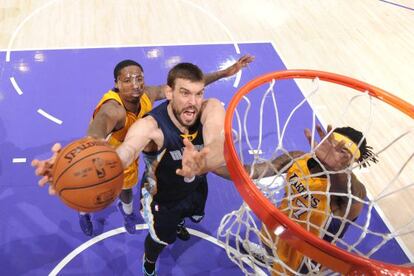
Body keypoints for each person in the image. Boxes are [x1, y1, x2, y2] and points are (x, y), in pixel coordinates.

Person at [32, 55, 254, 237]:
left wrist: (225, 72)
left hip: (137, 148)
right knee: (84, 185)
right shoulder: (114, 108)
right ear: (116, 84)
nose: (135, 84)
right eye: (127, 80)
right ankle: (83, 213)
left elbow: (185, 85)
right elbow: (99, 126)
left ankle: (127, 212)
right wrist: (85, 149)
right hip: (106, 156)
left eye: (139, 78)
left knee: (126, 192)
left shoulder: (145, 94)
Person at [215, 124, 378, 275]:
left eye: (345, 153)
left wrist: (334, 169)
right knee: (268, 244)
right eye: (335, 144)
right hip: (280, 224)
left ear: (353, 162)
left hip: (304, 254)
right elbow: (254, 171)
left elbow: (355, 193)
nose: (335, 152)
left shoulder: (347, 194)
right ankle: (270, 257)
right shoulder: (299, 158)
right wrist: (210, 166)